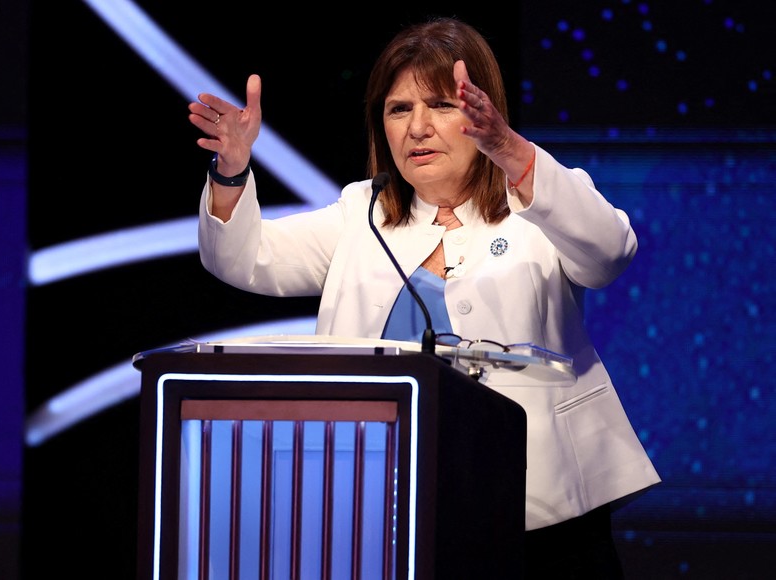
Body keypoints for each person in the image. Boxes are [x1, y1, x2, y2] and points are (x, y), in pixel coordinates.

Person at [188, 16, 660, 578]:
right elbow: (241, 259)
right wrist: (233, 171)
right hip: (382, 510)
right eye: (398, 109)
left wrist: (511, 150)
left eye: (440, 105)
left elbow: (610, 252)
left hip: (539, 512)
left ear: (482, 112)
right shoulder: (360, 213)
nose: (418, 128)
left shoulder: (539, 201)